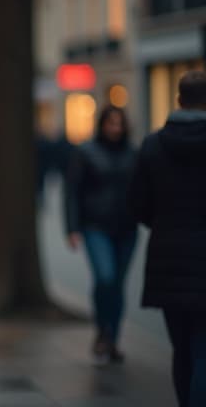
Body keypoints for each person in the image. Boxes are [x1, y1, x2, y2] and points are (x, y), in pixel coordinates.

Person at [130, 70, 206, 407]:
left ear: (178, 100)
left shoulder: (152, 144)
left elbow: (138, 205)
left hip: (167, 257)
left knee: (181, 348)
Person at [65, 105, 137, 365]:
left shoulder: (133, 153)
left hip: (127, 228)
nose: (115, 128)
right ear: (102, 125)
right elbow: (72, 191)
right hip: (95, 227)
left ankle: (112, 339)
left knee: (117, 284)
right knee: (105, 277)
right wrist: (72, 228)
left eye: (119, 124)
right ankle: (102, 329)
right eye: (110, 123)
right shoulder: (86, 152)